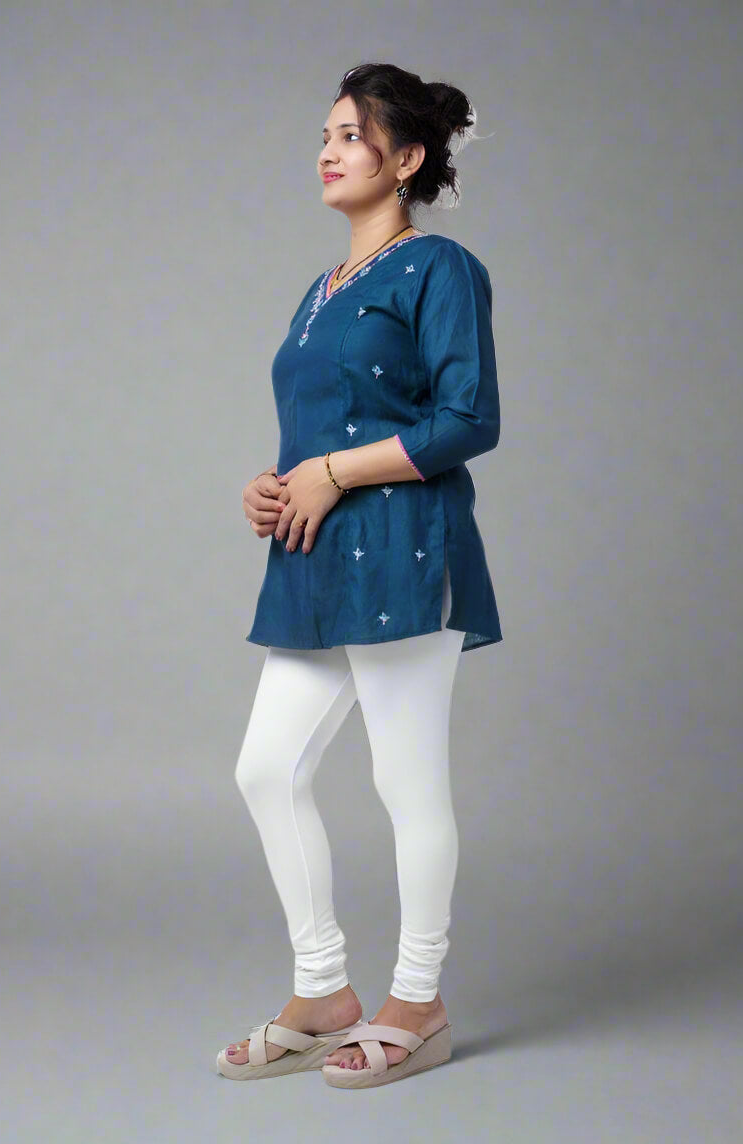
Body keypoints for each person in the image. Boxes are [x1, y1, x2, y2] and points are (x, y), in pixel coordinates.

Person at [217, 62, 502, 1090]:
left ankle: (417, 1002)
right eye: (325, 135)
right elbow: (317, 429)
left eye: (350, 135)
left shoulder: (440, 268)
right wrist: (274, 485)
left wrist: (333, 473)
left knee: (403, 780)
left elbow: (469, 419)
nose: (327, 152)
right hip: (314, 559)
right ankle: (323, 990)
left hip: (405, 551)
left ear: (407, 157)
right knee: (265, 769)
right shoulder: (320, 289)